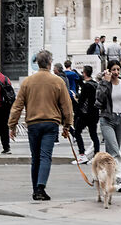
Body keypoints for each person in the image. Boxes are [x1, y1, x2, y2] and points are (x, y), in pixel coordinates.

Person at [10, 49, 75, 201]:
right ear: (50, 63)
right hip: (50, 123)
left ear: (37, 63)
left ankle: (35, 190)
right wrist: (67, 124)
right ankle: (40, 187)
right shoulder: (57, 81)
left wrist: (12, 125)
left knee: (35, 158)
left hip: (33, 123)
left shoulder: (27, 82)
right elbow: (67, 106)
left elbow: (17, 106)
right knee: (45, 156)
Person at [96, 61, 121, 191]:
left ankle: (103, 175)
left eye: (118, 69)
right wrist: (106, 83)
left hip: (120, 120)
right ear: (108, 71)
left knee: (111, 152)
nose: (116, 72)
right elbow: (99, 101)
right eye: (113, 69)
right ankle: (119, 179)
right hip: (107, 119)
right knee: (115, 151)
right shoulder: (103, 84)